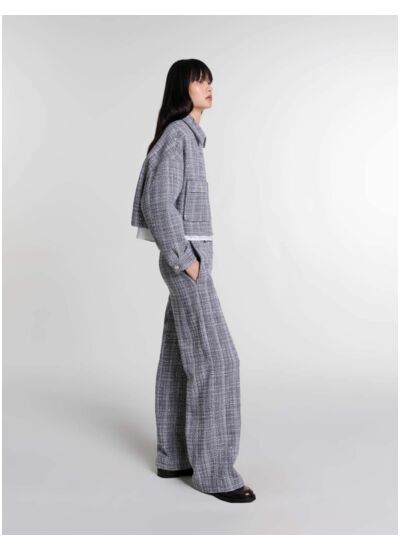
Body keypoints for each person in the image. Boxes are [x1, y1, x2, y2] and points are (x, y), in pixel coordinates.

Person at [131, 59, 256, 503]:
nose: (208, 85)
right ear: (181, 88)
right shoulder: (178, 136)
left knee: (179, 359)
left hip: (190, 260)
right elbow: (158, 202)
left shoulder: (186, 136)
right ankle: (215, 473)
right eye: (199, 80)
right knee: (219, 362)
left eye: (209, 79)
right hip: (187, 262)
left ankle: (174, 457)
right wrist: (187, 261)